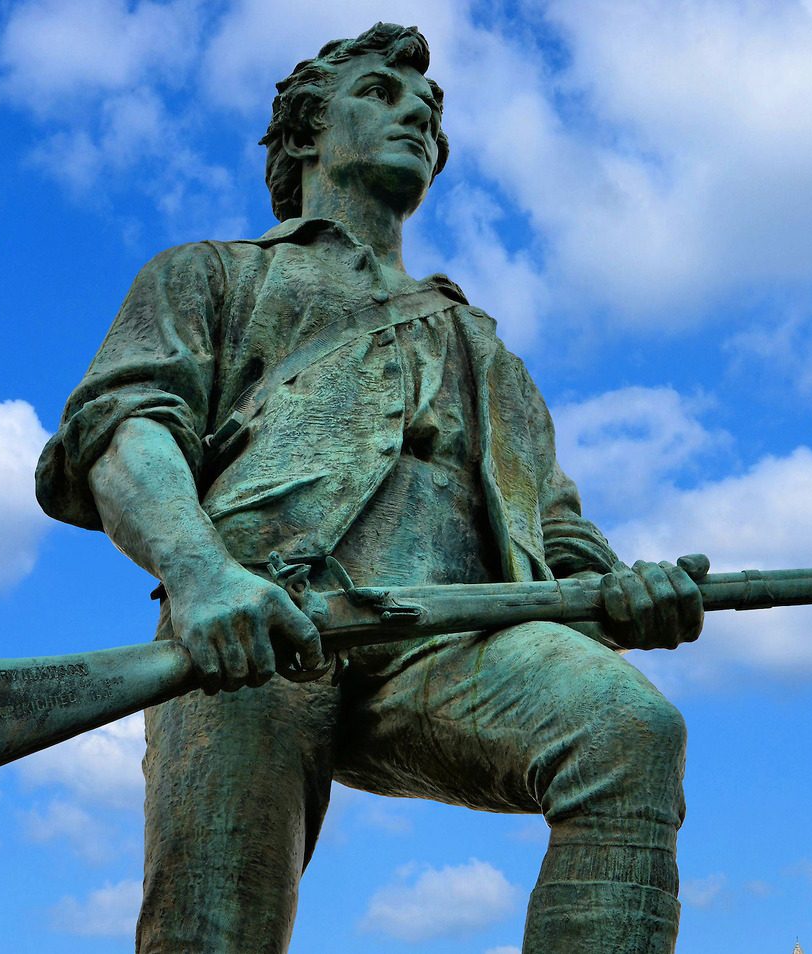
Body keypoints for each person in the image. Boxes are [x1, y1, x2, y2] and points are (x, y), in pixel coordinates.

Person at [36, 22, 704, 954]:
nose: (417, 118)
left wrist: (624, 594)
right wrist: (202, 576)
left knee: (629, 729)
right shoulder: (211, 276)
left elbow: (559, 537)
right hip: (256, 627)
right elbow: (124, 428)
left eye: (429, 110)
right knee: (213, 927)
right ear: (306, 132)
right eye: (381, 96)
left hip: (455, 640)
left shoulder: (488, 352)